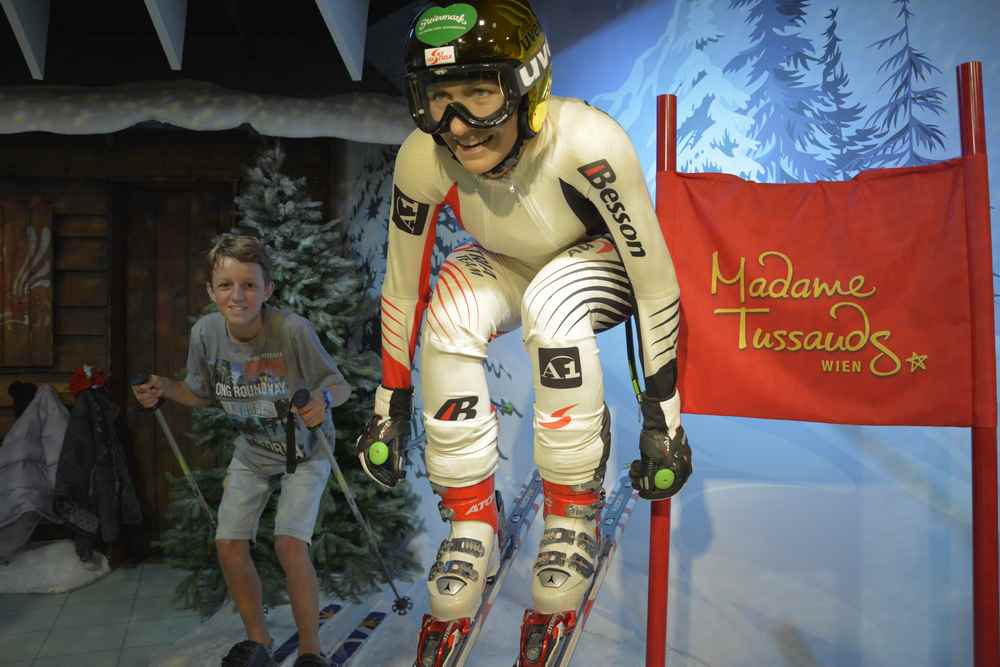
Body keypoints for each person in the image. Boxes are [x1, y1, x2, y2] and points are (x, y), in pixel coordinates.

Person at [355, 0, 694, 663]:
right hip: (506, 263)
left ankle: (572, 513)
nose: (459, 125)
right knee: (450, 306)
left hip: (590, 262)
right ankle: (471, 516)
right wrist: (388, 404)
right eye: (439, 99)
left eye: (480, 94)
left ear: (527, 87)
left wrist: (666, 420)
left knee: (555, 300)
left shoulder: (587, 143)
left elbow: (654, 280)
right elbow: (404, 286)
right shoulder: (424, 158)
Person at [132, 234, 351, 667]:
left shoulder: (291, 329)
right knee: (229, 544)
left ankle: (311, 651)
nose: (238, 295)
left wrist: (320, 402)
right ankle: (259, 644)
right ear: (211, 291)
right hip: (251, 451)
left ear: (268, 289)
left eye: (250, 284)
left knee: (290, 543)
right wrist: (165, 389)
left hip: (303, 454)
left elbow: (338, 385)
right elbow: (200, 393)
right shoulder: (206, 333)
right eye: (227, 285)